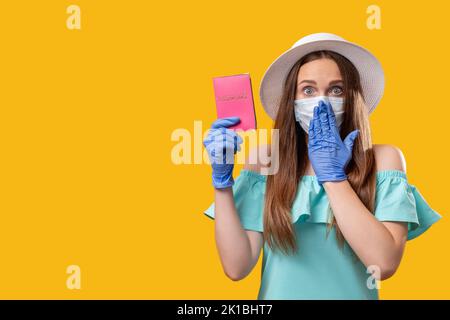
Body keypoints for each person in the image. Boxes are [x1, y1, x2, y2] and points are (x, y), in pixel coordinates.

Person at [202, 32, 442, 300]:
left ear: (352, 98)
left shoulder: (384, 159)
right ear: (291, 102)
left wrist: (333, 178)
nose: (322, 101)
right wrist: (222, 183)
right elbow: (237, 267)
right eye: (308, 89)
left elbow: (384, 264)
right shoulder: (266, 160)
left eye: (336, 89)